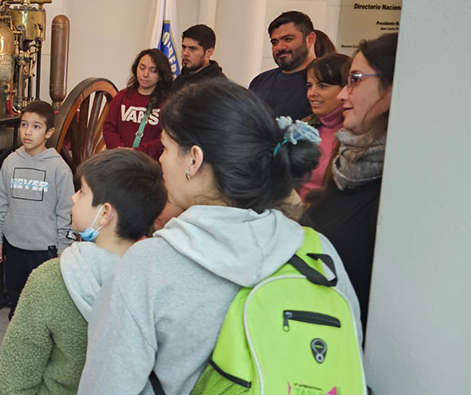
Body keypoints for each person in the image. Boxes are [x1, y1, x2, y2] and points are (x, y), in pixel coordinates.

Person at [77, 80, 362, 395]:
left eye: (167, 148)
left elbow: (107, 386)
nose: (160, 160)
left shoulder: (147, 268)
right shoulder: (318, 254)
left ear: (193, 159)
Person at [0, 149, 167, 395]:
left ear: (105, 213)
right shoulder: (158, 280)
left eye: (82, 192)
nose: (74, 198)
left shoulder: (51, 279)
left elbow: (16, 380)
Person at [305, 32, 398, 331]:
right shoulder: (349, 161)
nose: (344, 95)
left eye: (355, 79)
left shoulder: (399, 184)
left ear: (395, 85)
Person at [0, 100, 74, 326]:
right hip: (15, 247)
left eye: (36, 126)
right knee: (16, 301)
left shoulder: (59, 169)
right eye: (24, 125)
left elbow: (67, 212)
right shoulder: (11, 162)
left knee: (40, 305)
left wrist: (62, 250)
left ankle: (39, 352)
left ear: (50, 132)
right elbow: (1, 202)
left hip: (44, 251)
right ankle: (17, 349)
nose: (28, 131)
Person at [297, 53, 351, 202]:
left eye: (322, 86)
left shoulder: (356, 136)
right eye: (309, 86)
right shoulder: (303, 127)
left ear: (346, 88)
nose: (312, 93)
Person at [103, 48, 174, 159]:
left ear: (161, 74)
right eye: (142, 68)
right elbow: (109, 127)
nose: (145, 74)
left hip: (150, 163)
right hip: (119, 159)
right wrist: (120, 150)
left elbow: (167, 137)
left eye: (153, 70)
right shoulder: (122, 96)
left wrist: (138, 151)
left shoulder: (168, 103)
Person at [249, 11, 317, 119]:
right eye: (274, 42)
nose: (280, 47)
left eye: (288, 39)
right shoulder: (260, 81)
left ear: (310, 39)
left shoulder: (325, 81)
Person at [170, 24, 226, 94]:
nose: (185, 53)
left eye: (192, 49)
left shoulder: (218, 86)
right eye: (184, 47)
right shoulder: (180, 80)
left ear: (209, 52)